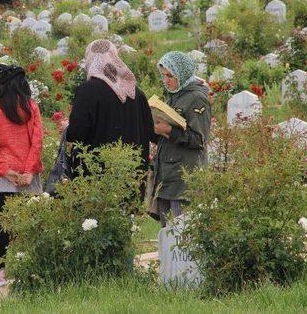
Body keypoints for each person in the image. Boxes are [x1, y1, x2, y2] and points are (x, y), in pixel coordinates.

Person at [0, 62, 43, 287]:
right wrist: (29, 171)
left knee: (2, 226)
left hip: (4, 178)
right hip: (29, 177)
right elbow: (37, 140)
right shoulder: (31, 107)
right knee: (31, 225)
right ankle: (33, 269)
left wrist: (6, 171)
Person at [66, 39, 153, 184]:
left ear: (90, 59)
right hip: (133, 173)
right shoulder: (135, 91)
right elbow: (149, 129)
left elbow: (76, 133)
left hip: (97, 176)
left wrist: (66, 129)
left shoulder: (88, 91)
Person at [152, 51, 211, 227]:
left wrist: (169, 130)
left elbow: (199, 140)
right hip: (167, 177)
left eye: (170, 76)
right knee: (167, 235)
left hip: (184, 180)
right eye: (163, 76)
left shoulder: (196, 98)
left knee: (182, 238)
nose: (166, 81)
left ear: (182, 74)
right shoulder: (176, 95)